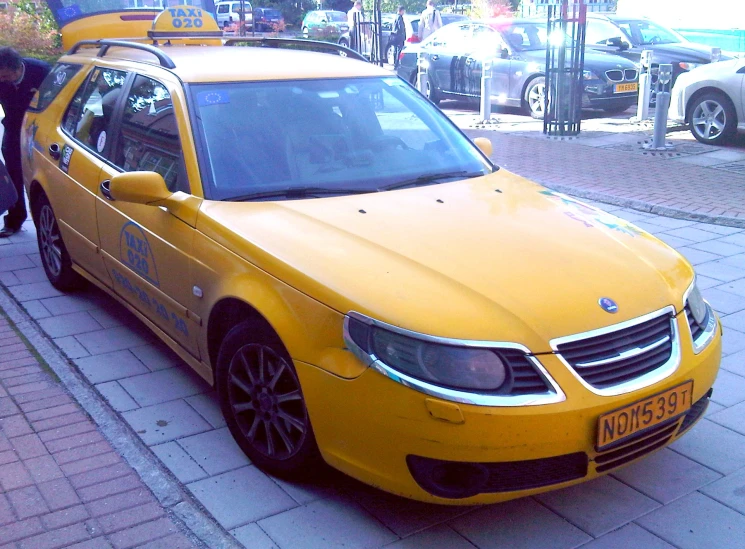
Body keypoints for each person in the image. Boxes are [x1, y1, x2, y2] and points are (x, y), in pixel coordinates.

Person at [0, 47, 50, 237]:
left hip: (40, 129)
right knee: (13, 174)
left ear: (16, 69)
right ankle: (14, 220)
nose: (2, 80)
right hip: (13, 129)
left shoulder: (42, 72)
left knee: (44, 176)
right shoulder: (0, 78)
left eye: (5, 76)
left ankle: (47, 221)